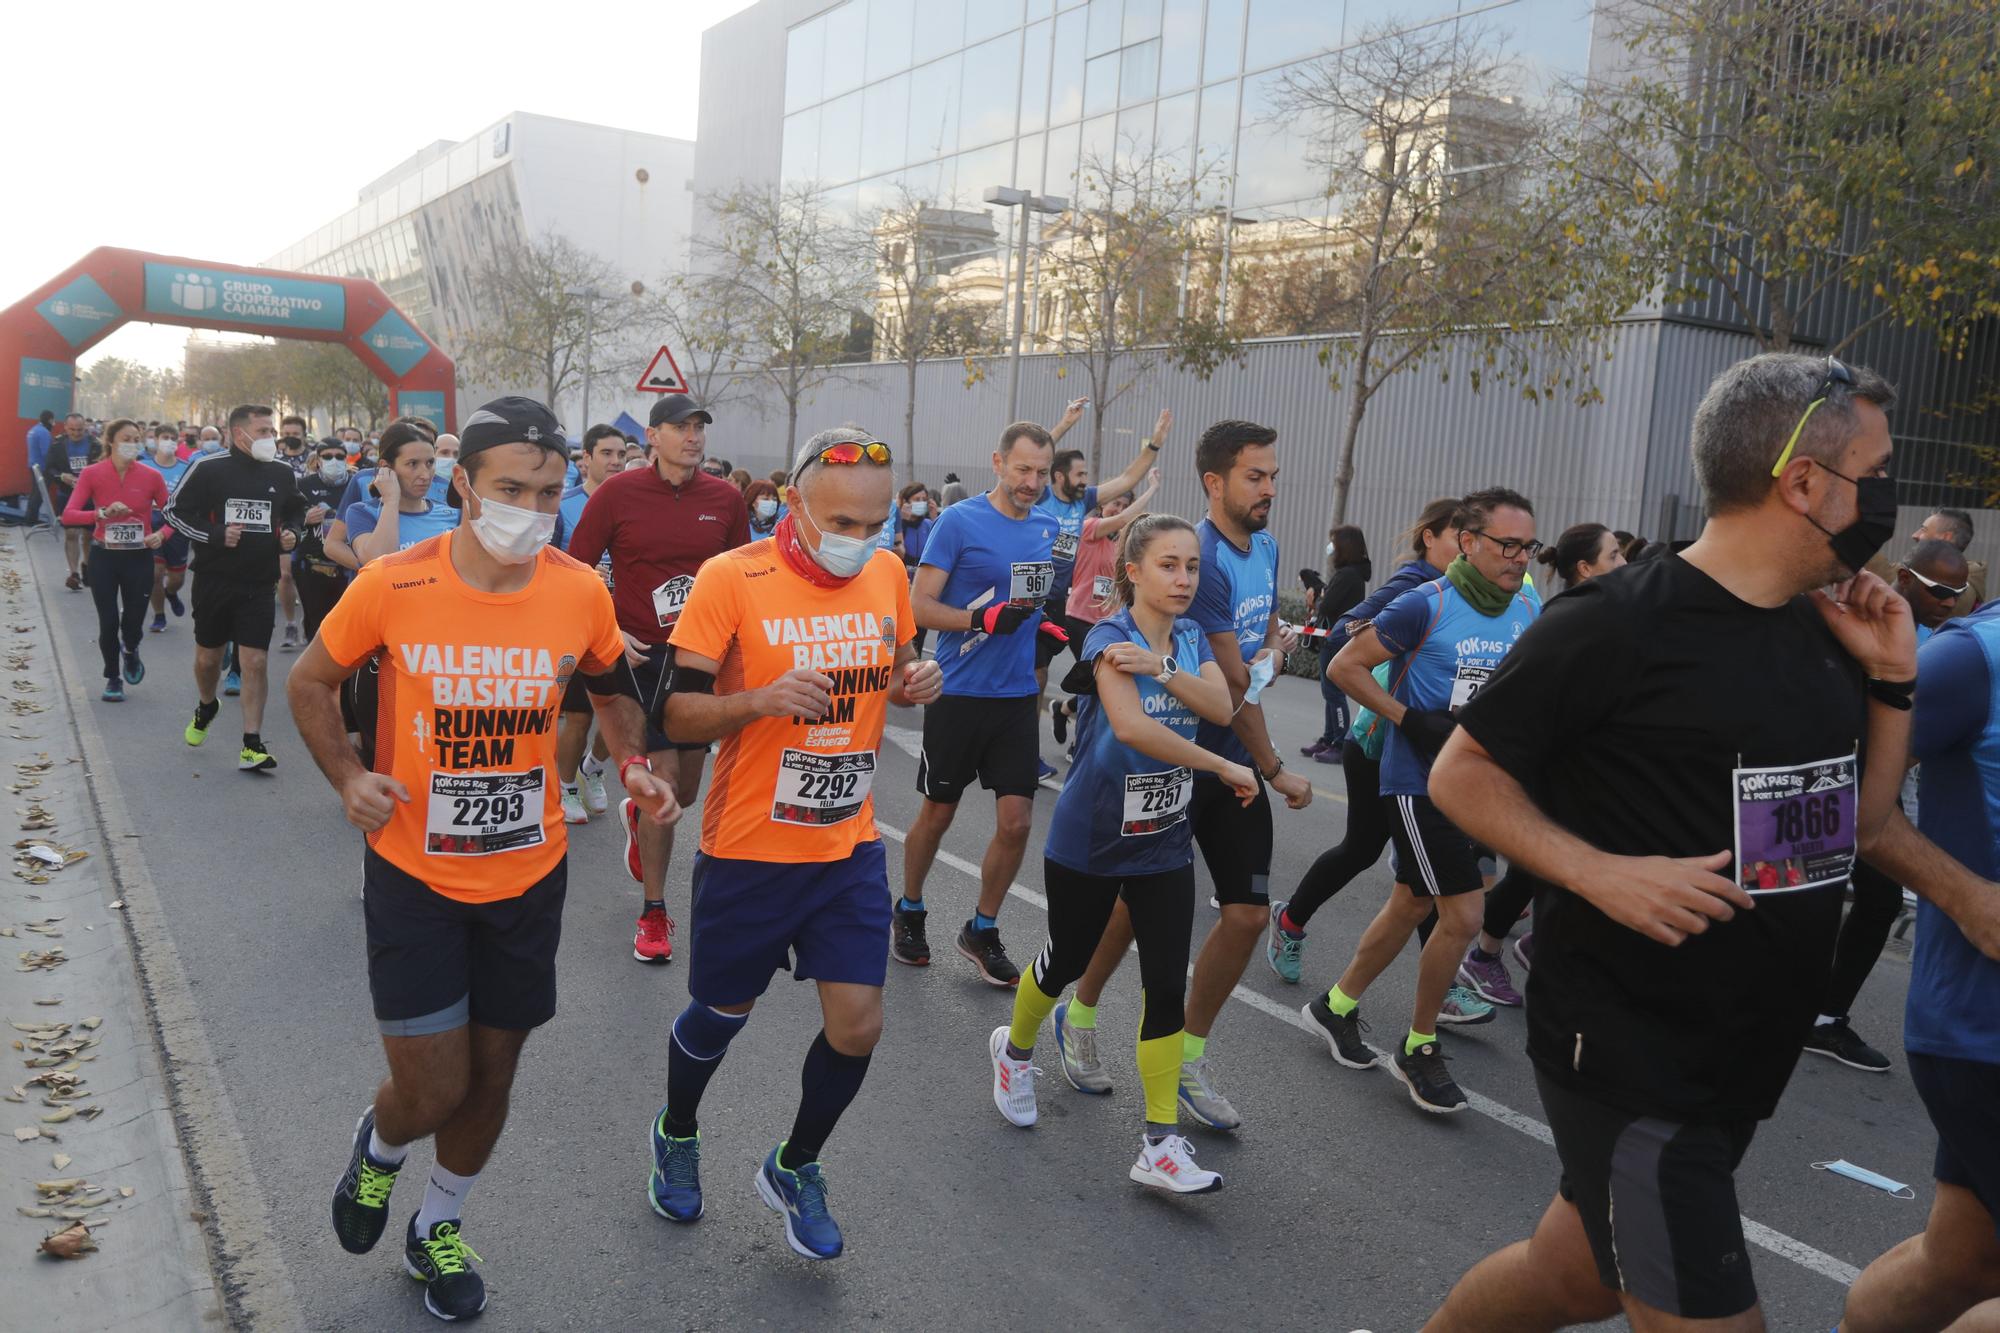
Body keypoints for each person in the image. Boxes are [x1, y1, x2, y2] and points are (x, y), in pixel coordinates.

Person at [1420, 352, 1960, 1331]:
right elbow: (1459, 771)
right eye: (1875, 471)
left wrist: (1889, 676)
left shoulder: (1822, 628)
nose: (1889, 494)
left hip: (1739, 1049)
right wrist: (1600, 873)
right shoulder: (1617, 623)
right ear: (1802, 482)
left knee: (1570, 1274)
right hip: (1631, 1050)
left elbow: (1859, 823)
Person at [292, 395, 680, 1322]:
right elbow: (312, 680)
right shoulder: (394, 581)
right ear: (465, 482)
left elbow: (614, 692)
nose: (531, 509)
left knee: (494, 1075)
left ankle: (438, 1226)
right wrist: (348, 777)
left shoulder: (578, 589)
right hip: (415, 871)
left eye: (549, 493)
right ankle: (381, 1147)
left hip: (528, 868)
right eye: (511, 487)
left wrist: (631, 764)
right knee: (433, 1085)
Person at [644, 426, 940, 1261]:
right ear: (797, 502)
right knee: (721, 1014)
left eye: (874, 523)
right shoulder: (731, 578)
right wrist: (761, 699)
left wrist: (916, 679)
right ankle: (677, 1129)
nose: (860, 539)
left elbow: (900, 668)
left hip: (845, 844)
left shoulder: (886, 573)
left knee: (858, 1025)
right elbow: (676, 712)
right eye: (841, 521)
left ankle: (794, 1164)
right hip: (750, 846)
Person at [989, 514, 1255, 1193]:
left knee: (1166, 982)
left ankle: (1160, 1143)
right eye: (1169, 564)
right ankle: (1014, 1052)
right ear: (1132, 570)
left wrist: (1164, 666)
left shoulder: (1189, 635)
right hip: (1092, 833)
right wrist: (1220, 768)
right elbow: (1134, 725)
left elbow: (1222, 704)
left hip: (1163, 839)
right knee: (1065, 960)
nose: (1183, 578)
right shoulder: (1109, 637)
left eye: (1191, 566)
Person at [1060, 421, 1315, 1130]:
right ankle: (1077, 1015)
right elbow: (1235, 684)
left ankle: (1187, 1058)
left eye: (1271, 474)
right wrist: (1272, 766)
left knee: (1246, 912)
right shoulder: (1194, 560)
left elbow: (1259, 653)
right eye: (1254, 476)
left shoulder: (1261, 546)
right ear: (1215, 482)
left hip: (1226, 757)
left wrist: (1270, 654)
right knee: (1128, 908)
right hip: (1181, 756)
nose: (1268, 488)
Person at [1297, 488, 1540, 1114]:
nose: (1518, 558)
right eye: (1506, 545)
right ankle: (1421, 1045)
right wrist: (1410, 719)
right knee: (1461, 915)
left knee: (1410, 902)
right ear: (1468, 542)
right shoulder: (1424, 604)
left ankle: (1338, 1005)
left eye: (1527, 546)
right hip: (1418, 782)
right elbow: (1345, 667)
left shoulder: (1525, 610)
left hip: (1480, 785)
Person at [1838, 596, 2000, 1333]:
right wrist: (1964, 895)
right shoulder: (1974, 657)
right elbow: (1831, 786)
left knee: (1963, 1261)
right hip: (1983, 1026)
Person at [567, 392, 749, 965]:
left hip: (699, 661)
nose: (693, 436)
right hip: (639, 656)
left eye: (699, 427)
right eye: (681, 427)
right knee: (665, 783)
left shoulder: (724, 499)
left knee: (686, 792)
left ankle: (636, 813)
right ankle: (653, 912)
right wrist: (610, 633)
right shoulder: (618, 493)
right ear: (653, 435)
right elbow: (574, 570)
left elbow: (746, 579)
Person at [1797, 535, 1978, 1075]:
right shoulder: (1865, 617)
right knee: (1797, 888)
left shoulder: (1944, 638)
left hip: (1874, 778)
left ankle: (1823, 1016)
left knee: (1872, 899)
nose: (1947, 601)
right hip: (1825, 773)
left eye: (1958, 592)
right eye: (1937, 589)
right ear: (1904, 577)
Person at [896, 420, 1067, 985]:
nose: (1032, 482)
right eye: (1023, 470)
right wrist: (979, 619)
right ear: (997, 463)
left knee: (1017, 822)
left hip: (1017, 697)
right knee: (938, 813)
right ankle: (911, 909)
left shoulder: (1047, 525)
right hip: (956, 692)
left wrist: (1048, 629)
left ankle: (982, 928)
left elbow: (1033, 598)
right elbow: (919, 607)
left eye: (1042, 473)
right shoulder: (958, 521)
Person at [1266, 499, 1460, 984]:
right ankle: (1291, 925)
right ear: (1430, 537)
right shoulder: (1415, 584)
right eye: (1459, 536)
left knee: (1402, 863)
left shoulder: (1465, 592)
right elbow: (1346, 631)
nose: (1467, 547)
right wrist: (1396, 694)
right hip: (1380, 742)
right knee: (1389, 860)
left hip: (1433, 750)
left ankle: (1291, 920)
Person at [1452, 521, 1631, 1008]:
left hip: (1587, 769)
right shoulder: (1565, 619)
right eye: (1615, 556)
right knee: (1536, 868)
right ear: (1585, 567)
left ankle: (1533, 946)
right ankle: (1483, 957)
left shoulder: (1612, 615)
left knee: (1556, 867)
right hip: (1551, 765)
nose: (1624, 565)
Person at [161, 403, 307, 773]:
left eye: (271, 431)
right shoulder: (208, 468)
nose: (270, 438)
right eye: (262, 432)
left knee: (255, 661)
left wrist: (291, 532)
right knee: (208, 659)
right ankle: (207, 705)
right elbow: (174, 512)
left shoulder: (281, 471)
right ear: (237, 434)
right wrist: (215, 535)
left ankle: (251, 744)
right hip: (213, 580)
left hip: (259, 582)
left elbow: (295, 509)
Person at [1034, 404, 1168, 779]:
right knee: (1033, 676)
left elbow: (1127, 478)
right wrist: (1064, 423)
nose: (1085, 479)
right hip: (1027, 597)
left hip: (1056, 601)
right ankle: (1020, 747)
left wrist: (1154, 443)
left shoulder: (1082, 503)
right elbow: (1035, 454)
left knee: (1038, 677)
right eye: (1079, 474)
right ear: (1058, 476)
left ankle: (1037, 738)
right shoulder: (1041, 495)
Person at [1048, 469, 1159, 746]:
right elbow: (1124, 520)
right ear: (1102, 506)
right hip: (1079, 618)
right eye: (1115, 504)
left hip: (1109, 623)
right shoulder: (1089, 528)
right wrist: (1152, 488)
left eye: (1124, 505)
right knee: (1100, 679)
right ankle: (1079, 742)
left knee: (1100, 682)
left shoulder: (1123, 546)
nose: (1119, 510)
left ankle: (1063, 710)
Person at [551, 425, 627, 824]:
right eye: (607, 454)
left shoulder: (637, 502)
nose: (616, 462)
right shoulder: (564, 505)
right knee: (579, 715)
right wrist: (580, 573)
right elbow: (543, 561)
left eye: (622, 455)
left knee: (623, 712)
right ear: (587, 460)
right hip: (579, 624)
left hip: (625, 625)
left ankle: (592, 768)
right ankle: (563, 788)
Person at [61, 419, 169, 701]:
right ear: (110, 441)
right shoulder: (92, 474)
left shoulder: (151, 476)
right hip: (104, 556)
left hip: (139, 557)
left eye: (137, 439)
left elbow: (174, 515)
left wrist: (162, 535)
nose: (132, 444)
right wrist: (101, 513)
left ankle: (130, 651)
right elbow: (69, 515)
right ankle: (112, 676)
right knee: (108, 622)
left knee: (132, 623)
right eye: (126, 438)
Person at [1301, 525, 1371, 763]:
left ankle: (1339, 742)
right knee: (1329, 692)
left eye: (1334, 543)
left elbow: (1329, 606)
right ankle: (1329, 737)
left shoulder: (1348, 575)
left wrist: (1317, 597)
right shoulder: (1351, 574)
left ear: (1344, 546)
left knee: (1334, 693)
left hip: (1337, 639)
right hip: (1336, 638)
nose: (1331, 548)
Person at [341, 431, 459, 565]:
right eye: (412, 464)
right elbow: (377, 563)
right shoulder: (363, 513)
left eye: (430, 463)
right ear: (386, 467)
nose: (425, 475)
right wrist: (391, 501)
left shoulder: (453, 513)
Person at [292, 439, 351, 642]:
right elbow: (288, 521)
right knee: (317, 624)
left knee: (347, 625)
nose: (334, 460)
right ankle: (317, 670)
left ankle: (346, 672)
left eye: (339, 456)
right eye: (327, 456)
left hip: (349, 566)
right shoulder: (303, 485)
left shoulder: (356, 483)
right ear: (318, 460)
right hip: (312, 565)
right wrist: (305, 519)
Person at [141, 430, 193, 632]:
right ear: (156, 440)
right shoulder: (144, 465)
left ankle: (171, 593)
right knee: (155, 573)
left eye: (173, 439)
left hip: (176, 527)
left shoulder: (186, 468)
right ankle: (159, 615)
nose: (169, 442)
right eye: (165, 438)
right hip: (151, 525)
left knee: (177, 579)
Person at [46, 413, 98, 590]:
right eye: (72, 430)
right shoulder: (57, 444)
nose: (76, 433)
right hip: (67, 493)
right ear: (65, 428)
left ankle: (87, 565)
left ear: (85, 428)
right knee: (71, 533)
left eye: (80, 430)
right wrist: (62, 476)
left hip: (90, 496)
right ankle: (73, 574)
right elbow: (49, 468)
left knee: (88, 535)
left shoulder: (95, 444)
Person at [24, 409, 54, 526]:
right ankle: (31, 520)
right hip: (42, 467)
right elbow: (47, 452)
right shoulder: (44, 432)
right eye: (53, 420)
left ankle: (29, 518)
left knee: (34, 493)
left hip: (33, 465)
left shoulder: (33, 430)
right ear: (50, 420)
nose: (53, 423)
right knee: (39, 494)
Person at [428, 434, 460, 505]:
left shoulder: (465, 488)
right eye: (444, 452)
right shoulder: (421, 488)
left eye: (456, 454)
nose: (451, 458)